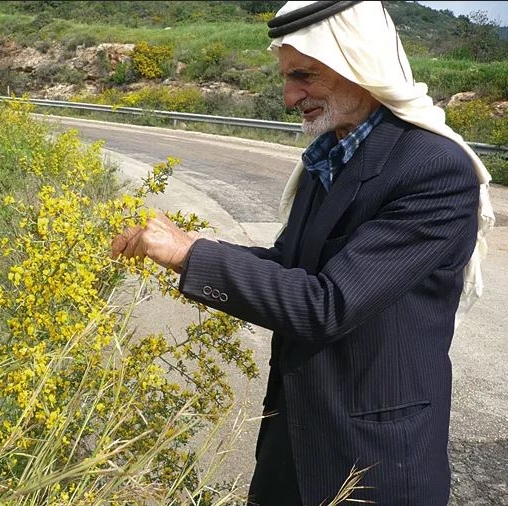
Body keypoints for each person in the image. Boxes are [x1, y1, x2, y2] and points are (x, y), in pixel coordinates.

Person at [111, 1, 495, 504]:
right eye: (287, 78)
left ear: (359, 63)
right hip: (293, 441)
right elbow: (290, 266)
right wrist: (188, 248)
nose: (291, 97)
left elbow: (327, 304)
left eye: (304, 76)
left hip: (372, 459)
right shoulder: (333, 152)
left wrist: (190, 255)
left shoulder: (434, 169)